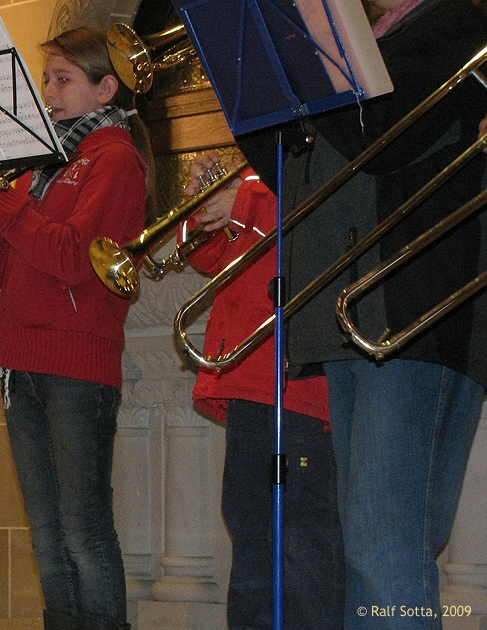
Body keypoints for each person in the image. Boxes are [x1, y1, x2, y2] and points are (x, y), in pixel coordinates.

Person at [234, 0, 487, 627]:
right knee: (365, 551)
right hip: (349, 311)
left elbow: (380, 140)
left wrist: (310, 54)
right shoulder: (364, 42)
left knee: (384, 548)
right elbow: (296, 171)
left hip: (411, 310)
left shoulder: (458, 23)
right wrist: (249, 84)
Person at [0, 26, 150, 630]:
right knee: (48, 533)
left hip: (77, 362)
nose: (49, 92)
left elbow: (72, 258)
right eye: (46, 80)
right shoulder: (46, 164)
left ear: (105, 89)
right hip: (22, 357)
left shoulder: (114, 160)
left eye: (63, 79)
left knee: (84, 528)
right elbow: (7, 269)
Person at [180, 152, 344, 628]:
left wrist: (244, 202)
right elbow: (207, 255)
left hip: (299, 378)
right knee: (251, 535)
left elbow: (328, 212)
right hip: (248, 378)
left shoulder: (312, 150)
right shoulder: (251, 165)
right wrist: (203, 204)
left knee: (302, 544)